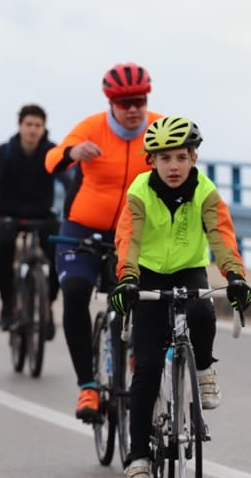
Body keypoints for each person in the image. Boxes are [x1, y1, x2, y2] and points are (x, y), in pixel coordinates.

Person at [109, 116, 251, 478]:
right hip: (148, 275)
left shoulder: (205, 191)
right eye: (165, 158)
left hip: (189, 270)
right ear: (151, 161)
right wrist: (127, 279)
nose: (173, 166)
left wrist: (235, 275)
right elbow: (130, 239)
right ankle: (138, 460)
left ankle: (203, 369)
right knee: (148, 370)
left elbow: (220, 236)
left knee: (204, 312)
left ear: (193, 158)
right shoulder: (139, 191)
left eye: (181, 157)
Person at [44, 62, 163, 423]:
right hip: (83, 227)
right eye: (124, 102)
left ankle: (134, 354)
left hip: (135, 232)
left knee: (141, 297)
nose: (132, 109)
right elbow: (51, 161)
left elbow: (186, 164)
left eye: (138, 101)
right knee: (77, 291)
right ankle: (88, 386)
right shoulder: (92, 127)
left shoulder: (158, 128)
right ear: (111, 102)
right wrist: (72, 154)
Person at [0, 104, 63, 331]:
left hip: (42, 214)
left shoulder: (51, 151)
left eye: (38, 125)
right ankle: (7, 305)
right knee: (5, 251)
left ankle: (47, 305)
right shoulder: (5, 151)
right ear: (20, 126)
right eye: (29, 124)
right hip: (9, 214)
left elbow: (69, 179)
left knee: (60, 254)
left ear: (44, 128)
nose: (33, 130)